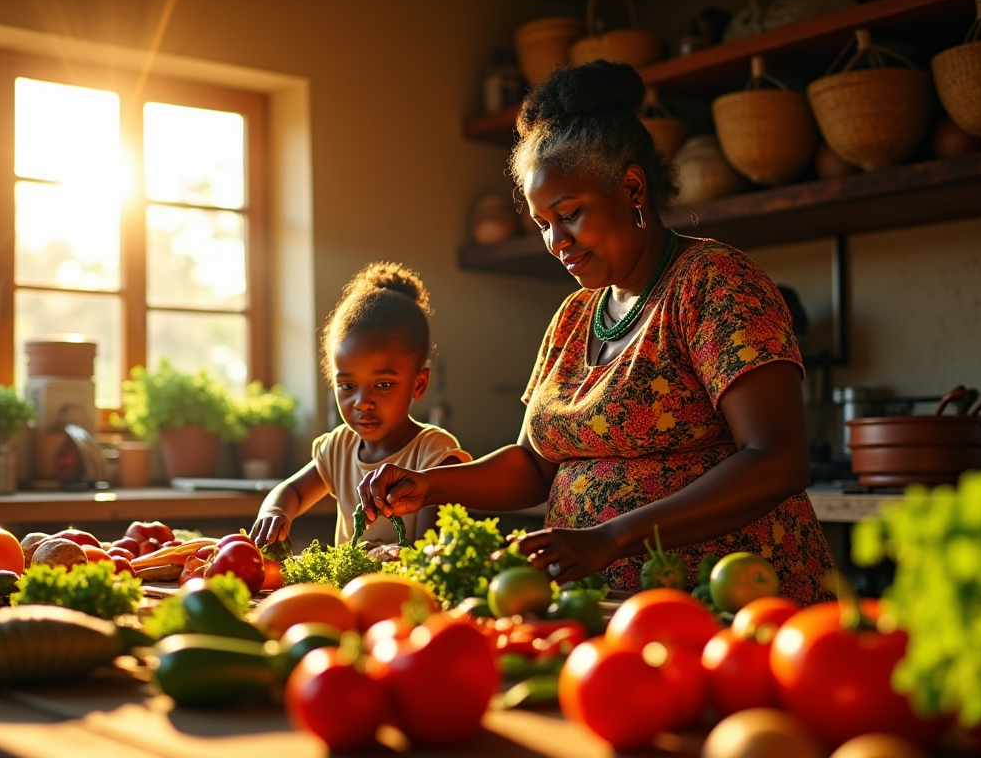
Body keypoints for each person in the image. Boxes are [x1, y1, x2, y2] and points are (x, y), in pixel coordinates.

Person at [358, 61, 836, 603]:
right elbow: (533, 465)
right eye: (543, 224)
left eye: (570, 213)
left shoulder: (713, 284)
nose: (556, 240)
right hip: (604, 609)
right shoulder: (572, 317)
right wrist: (431, 485)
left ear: (632, 187)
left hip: (730, 604)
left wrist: (613, 537)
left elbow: (776, 457)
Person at [250, 262, 471, 550]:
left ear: (418, 383)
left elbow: (431, 551)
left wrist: (395, 556)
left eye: (382, 385)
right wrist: (274, 512)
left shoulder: (435, 452)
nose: (362, 402)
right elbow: (291, 490)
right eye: (348, 386)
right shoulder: (338, 447)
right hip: (350, 596)